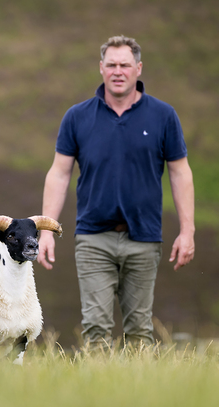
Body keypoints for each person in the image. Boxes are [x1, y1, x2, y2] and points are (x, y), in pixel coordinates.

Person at [37, 35, 195, 347]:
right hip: (93, 237)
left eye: (125, 64)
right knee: (96, 328)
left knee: (139, 330)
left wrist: (187, 230)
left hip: (144, 237)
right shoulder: (77, 117)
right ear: (101, 68)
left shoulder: (163, 116)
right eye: (111, 65)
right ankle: (98, 392)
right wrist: (45, 230)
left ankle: (138, 393)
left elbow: (180, 172)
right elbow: (59, 173)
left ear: (138, 68)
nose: (118, 71)